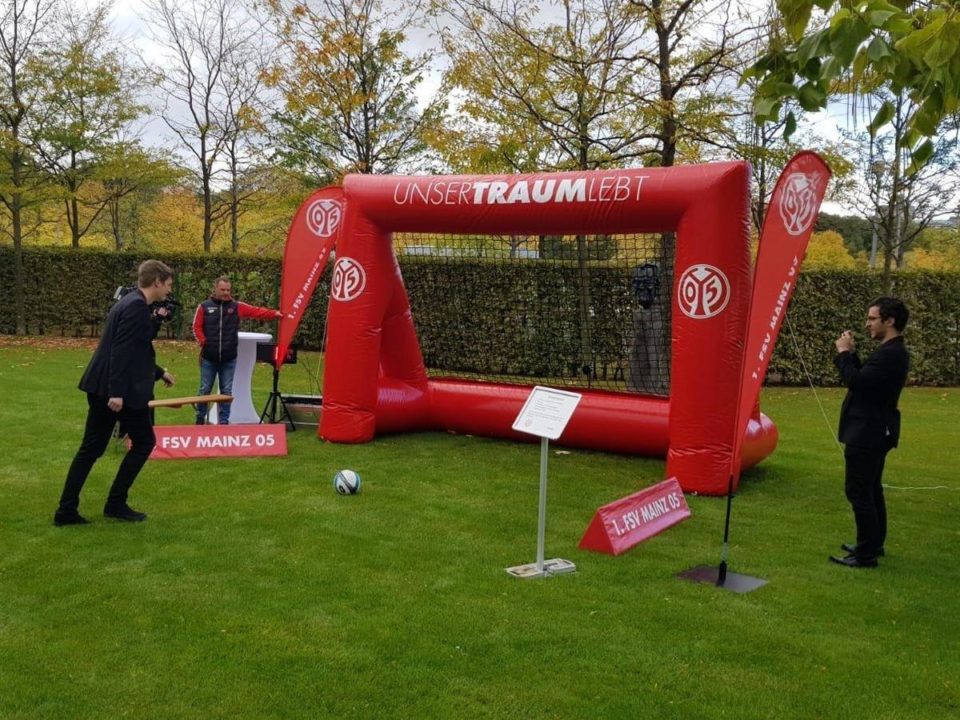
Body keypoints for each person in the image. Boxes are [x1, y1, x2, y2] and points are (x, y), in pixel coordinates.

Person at [54, 260, 177, 526]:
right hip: (117, 391)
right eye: (168, 284)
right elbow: (120, 352)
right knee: (143, 442)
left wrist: (158, 372)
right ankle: (114, 503)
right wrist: (117, 393)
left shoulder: (132, 302)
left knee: (91, 449)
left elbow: (136, 349)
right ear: (157, 281)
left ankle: (67, 510)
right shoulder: (134, 306)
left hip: (103, 386)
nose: (169, 290)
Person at [829, 296, 910, 568]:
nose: (867, 324)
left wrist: (842, 354)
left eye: (872, 319)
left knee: (859, 491)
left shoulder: (892, 354)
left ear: (890, 321)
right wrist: (852, 355)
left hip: (867, 432)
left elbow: (856, 382)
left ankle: (865, 555)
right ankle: (872, 544)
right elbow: (868, 378)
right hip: (872, 429)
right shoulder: (890, 351)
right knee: (872, 489)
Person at [191, 276, 281, 425]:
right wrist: (204, 342)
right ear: (215, 289)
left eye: (228, 290)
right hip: (209, 357)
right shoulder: (204, 307)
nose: (226, 292)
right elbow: (196, 327)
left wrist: (274, 314)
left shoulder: (237, 306)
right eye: (223, 289)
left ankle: (224, 422)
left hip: (229, 358)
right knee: (204, 389)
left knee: (226, 392)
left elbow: (256, 311)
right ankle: (200, 420)